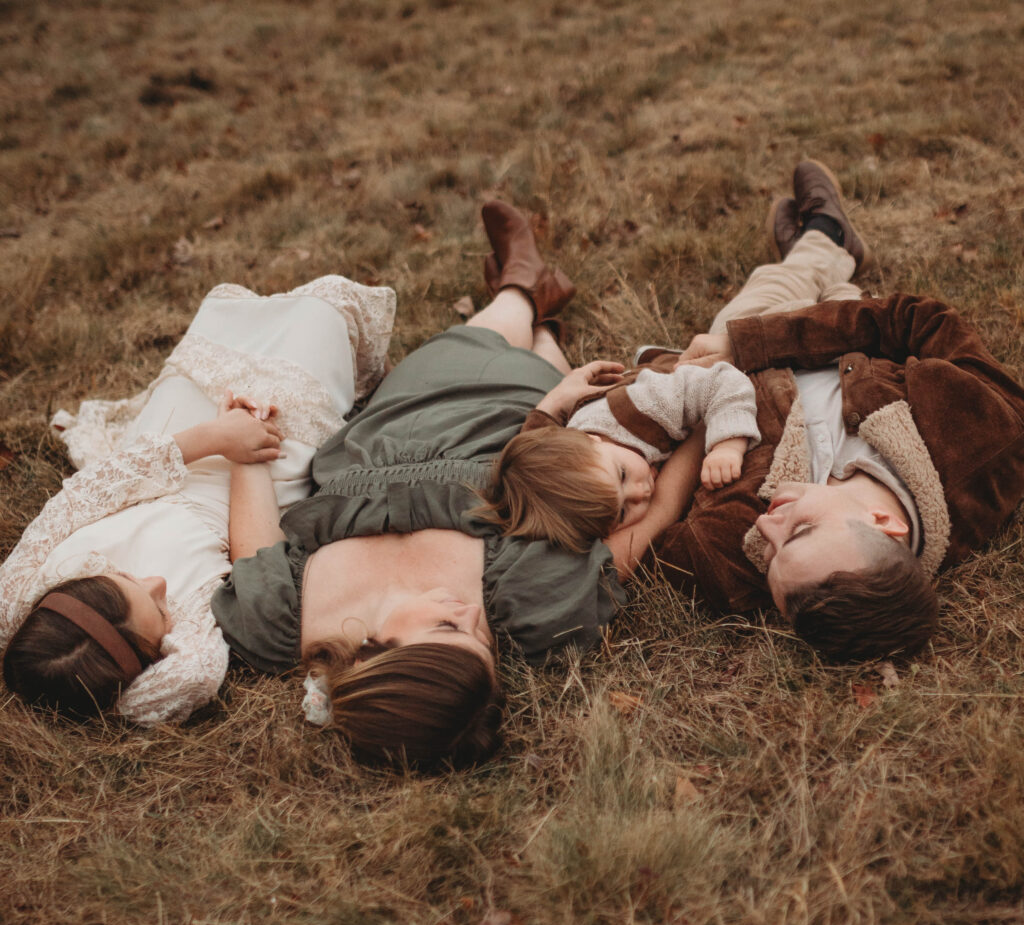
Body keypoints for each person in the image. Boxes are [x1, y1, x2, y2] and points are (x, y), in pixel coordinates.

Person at [213, 202, 706, 765]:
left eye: (449, 627)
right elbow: (658, 514)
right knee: (525, 364)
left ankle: (523, 292)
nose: (471, 616)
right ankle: (532, 304)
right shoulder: (533, 608)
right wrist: (705, 418)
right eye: (481, 644)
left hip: (384, 429)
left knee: (457, 346)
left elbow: (255, 555)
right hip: (507, 433)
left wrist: (243, 451)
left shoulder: (275, 626)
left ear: (373, 654)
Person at [646, 160, 1024, 661]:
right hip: (834, 335)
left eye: (773, 557)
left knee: (772, 291)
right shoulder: (990, 440)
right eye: (799, 532)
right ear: (885, 524)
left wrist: (727, 372)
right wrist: (752, 344)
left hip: (745, 357)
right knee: (843, 300)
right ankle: (825, 241)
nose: (765, 531)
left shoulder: (726, 561)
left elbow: (639, 537)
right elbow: (918, 320)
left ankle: (820, 242)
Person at [0, 276, 395, 722]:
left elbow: (99, 483)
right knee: (318, 320)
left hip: (165, 455)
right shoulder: (188, 638)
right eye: (160, 611)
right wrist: (245, 455)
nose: (160, 586)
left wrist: (217, 436)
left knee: (222, 320)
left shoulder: (24, 590)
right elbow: (199, 671)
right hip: (245, 496)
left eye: (130, 580)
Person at [478, 349, 760, 552]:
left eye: (623, 475)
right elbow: (537, 451)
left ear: (592, 439)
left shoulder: (644, 407)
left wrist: (728, 445)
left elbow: (723, 381)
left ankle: (661, 355)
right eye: (623, 513)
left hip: (685, 372)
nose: (641, 493)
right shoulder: (587, 460)